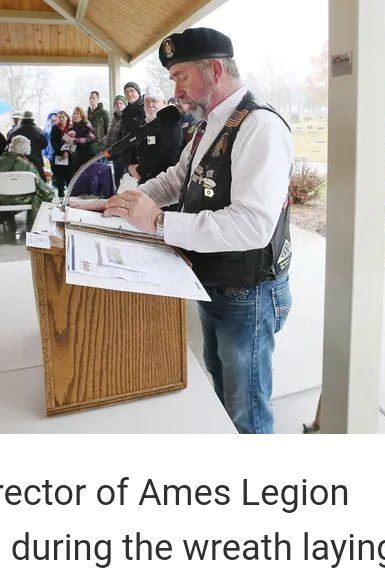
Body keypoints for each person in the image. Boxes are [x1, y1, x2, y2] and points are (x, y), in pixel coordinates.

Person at [99, 27, 294, 434]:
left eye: (181, 77)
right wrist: (125, 201)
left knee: (247, 414)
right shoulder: (208, 125)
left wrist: (158, 221)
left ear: (215, 70)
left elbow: (252, 226)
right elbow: (176, 180)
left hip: (248, 291)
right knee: (221, 393)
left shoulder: (260, 127)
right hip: (211, 280)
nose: (176, 90)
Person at [0, 135, 54, 228]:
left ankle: (9, 222)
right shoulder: (27, 165)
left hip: (2, 199)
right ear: (26, 148)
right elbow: (41, 186)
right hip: (23, 200)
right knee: (40, 195)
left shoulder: (1, 160)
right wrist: (50, 194)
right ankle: (32, 224)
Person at [128, 86, 182, 184]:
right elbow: (133, 145)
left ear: (164, 103)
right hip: (144, 180)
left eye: (154, 101)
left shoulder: (171, 123)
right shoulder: (143, 123)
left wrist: (139, 170)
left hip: (163, 182)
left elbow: (165, 154)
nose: (150, 104)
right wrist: (130, 165)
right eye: (147, 102)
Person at [7, 110, 47, 179]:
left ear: (22, 119)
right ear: (33, 119)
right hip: (36, 160)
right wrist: (37, 149)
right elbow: (45, 143)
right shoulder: (38, 130)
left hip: (17, 161)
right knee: (36, 181)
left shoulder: (15, 130)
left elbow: (8, 143)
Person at [65, 107, 96, 173]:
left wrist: (77, 140)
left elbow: (91, 138)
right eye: (74, 114)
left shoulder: (87, 125)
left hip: (87, 156)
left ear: (82, 116)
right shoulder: (71, 127)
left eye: (77, 114)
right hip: (76, 157)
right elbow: (66, 141)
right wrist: (66, 141)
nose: (75, 115)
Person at [49, 110, 72, 199]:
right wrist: (62, 151)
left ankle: (70, 196)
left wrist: (67, 151)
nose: (61, 119)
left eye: (63, 117)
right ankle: (61, 196)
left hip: (70, 156)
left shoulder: (71, 128)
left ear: (67, 118)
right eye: (59, 117)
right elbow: (53, 142)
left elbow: (73, 141)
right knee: (60, 177)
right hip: (59, 156)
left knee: (69, 176)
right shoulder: (55, 128)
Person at [105, 94, 126, 183]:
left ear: (125, 105)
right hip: (110, 151)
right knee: (113, 175)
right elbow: (109, 135)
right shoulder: (113, 118)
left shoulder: (126, 118)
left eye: (121, 103)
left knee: (120, 175)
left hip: (121, 153)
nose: (118, 105)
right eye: (117, 103)